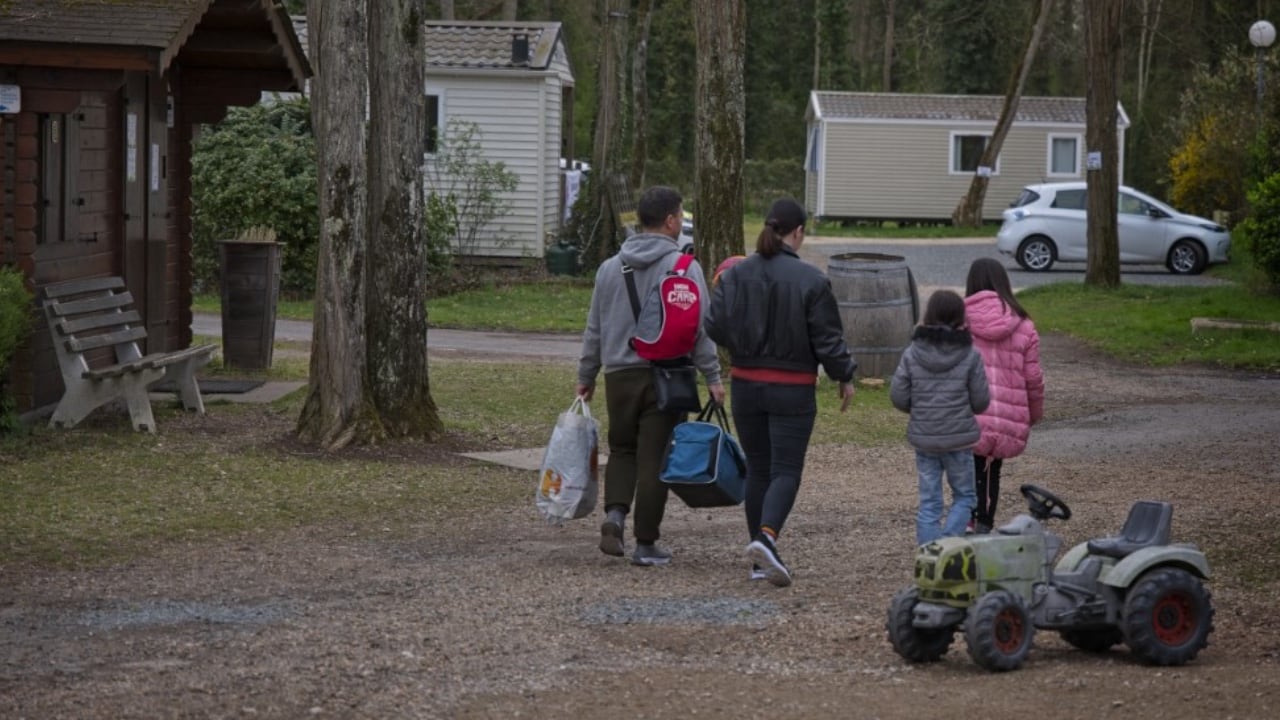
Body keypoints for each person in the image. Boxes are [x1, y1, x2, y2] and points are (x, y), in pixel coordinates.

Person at [706, 198, 856, 587]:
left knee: (758, 468)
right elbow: (828, 339)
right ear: (798, 232)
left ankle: (759, 558)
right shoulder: (811, 280)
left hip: (746, 384)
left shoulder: (735, 275)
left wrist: (741, 344)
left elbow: (714, 325)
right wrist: (844, 375)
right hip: (792, 388)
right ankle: (767, 539)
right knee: (786, 470)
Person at [576, 186, 725, 567]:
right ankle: (646, 543)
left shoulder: (610, 267)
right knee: (656, 458)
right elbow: (700, 329)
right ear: (671, 220)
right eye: (680, 214)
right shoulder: (685, 267)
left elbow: (595, 326)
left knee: (623, 449)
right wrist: (712, 375)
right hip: (667, 376)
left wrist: (587, 373)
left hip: (619, 376)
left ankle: (614, 515)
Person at [889, 289, 991, 546]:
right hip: (959, 440)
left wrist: (920, 410)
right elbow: (980, 402)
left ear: (929, 315)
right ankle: (946, 545)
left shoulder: (913, 352)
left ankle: (928, 552)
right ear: (960, 317)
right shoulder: (971, 354)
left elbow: (898, 396)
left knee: (930, 501)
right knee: (965, 496)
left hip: (925, 439)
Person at [963, 257, 1045, 534]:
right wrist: (1033, 414)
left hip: (968, 413)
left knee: (966, 468)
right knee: (990, 470)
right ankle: (983, 524)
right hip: (1006, 415)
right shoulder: (1023, 325)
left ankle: (968, 522)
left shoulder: (959, 322)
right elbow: (1032, 377)